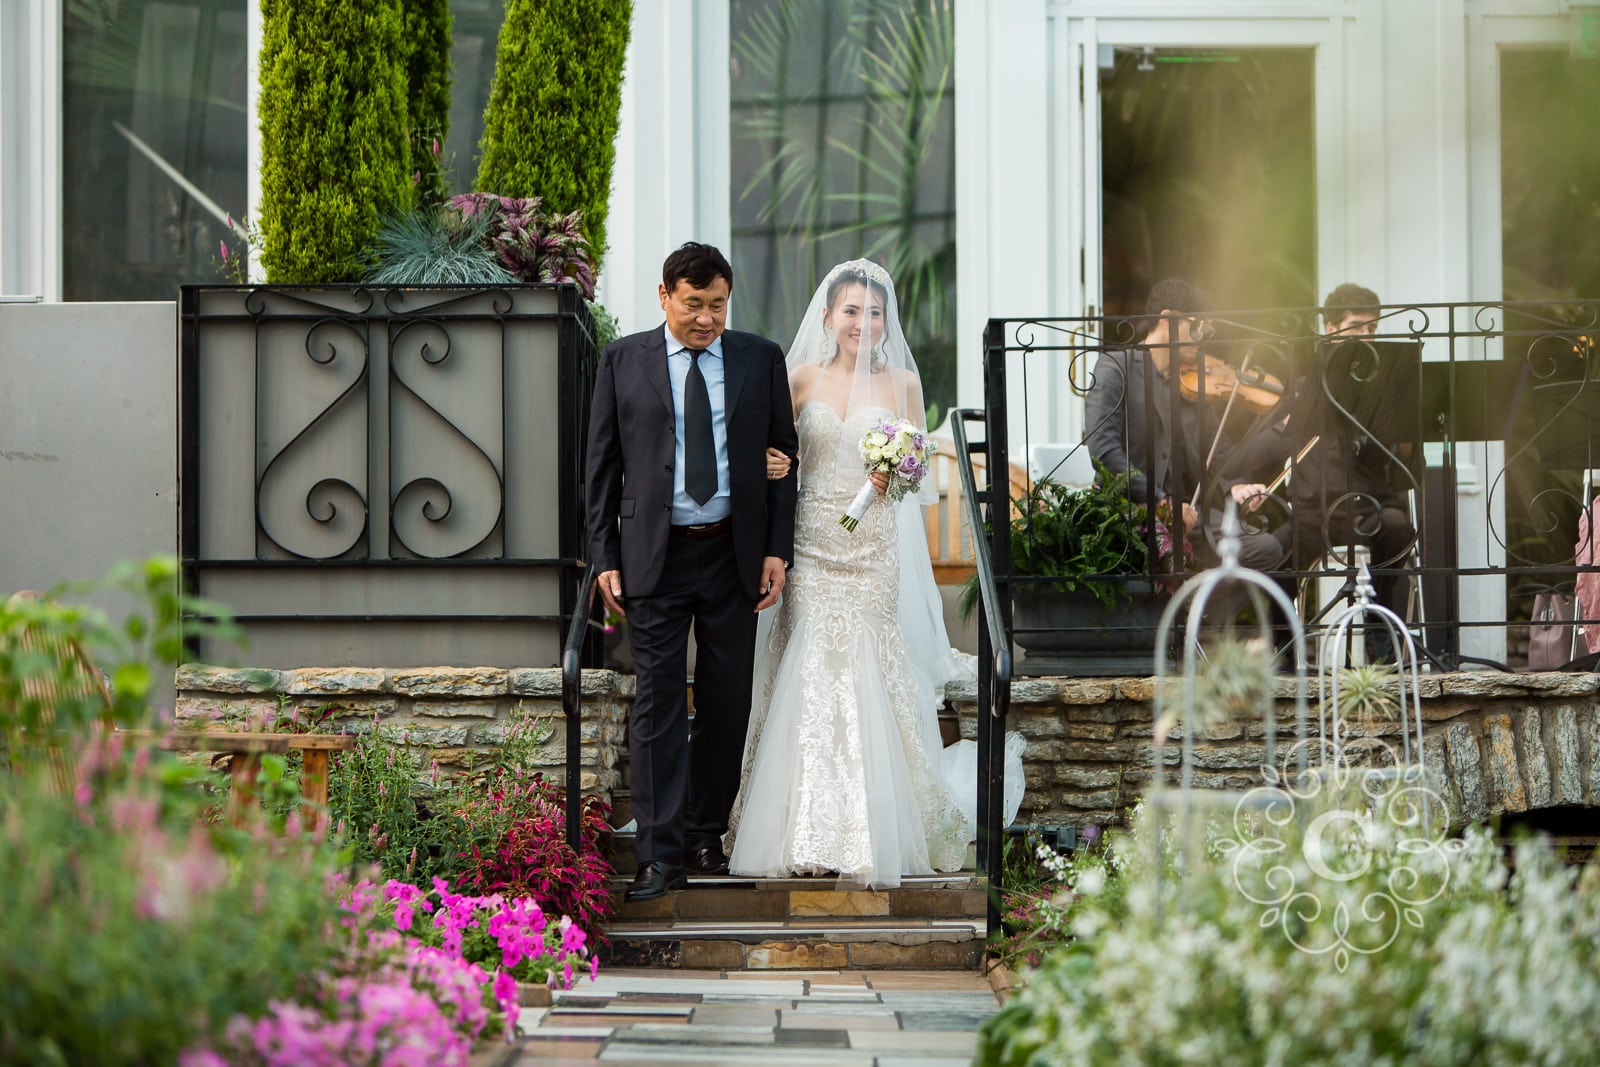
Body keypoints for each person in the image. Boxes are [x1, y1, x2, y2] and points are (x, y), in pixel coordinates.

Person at [724, 259, 973, 888]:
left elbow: (921, 474)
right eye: (851, 311)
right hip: (809, 542)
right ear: (829, 317)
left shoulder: (906, 384)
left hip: (872, 545)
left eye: (875, 312)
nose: (863, 323)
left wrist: (901, 472)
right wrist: (776, 466)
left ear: (887, 320)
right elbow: (775, 452)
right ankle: (804, 825)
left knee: (867, 663)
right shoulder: (798, 376)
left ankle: (871, 828)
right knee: (809, 664)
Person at [584, 242, 800, 902]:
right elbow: (600, 466)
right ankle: (659, 853)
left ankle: (706, 831)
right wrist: (604, 555)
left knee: (727, 699)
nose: (706, 318)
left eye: (717, 305)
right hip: (656, 554)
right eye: (693, 304)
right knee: (656, 702)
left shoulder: (760, 359)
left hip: (733, 552)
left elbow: (785, 458)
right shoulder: (623, 361)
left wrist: (775, 548)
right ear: (664, 296)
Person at [1220, 283, 1417, 641]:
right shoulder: (1304, 388)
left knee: (1397, 526)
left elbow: (1402, 463)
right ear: (1331, 328)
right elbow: (1262, 451)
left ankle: (1379, 626)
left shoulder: (1384, 390)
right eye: (1357, 326)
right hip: (1315, 514)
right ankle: (1282, 647)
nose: (1366, 336)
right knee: (1277, 554)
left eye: (1372, 328)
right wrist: (1257, 469)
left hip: (1370, 508)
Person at [1084, 278, 1287, 591]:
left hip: (1189, 518)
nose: (1203, 338)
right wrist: (1161, 501)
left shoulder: (1192, 383)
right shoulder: (1116, 367)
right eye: (1199, 327)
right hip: (1130, 511)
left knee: (1265, 549)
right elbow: (1103, 450)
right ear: (1168, 320)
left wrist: (1235, 489)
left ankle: (1204, 626)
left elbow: (1217, 455)